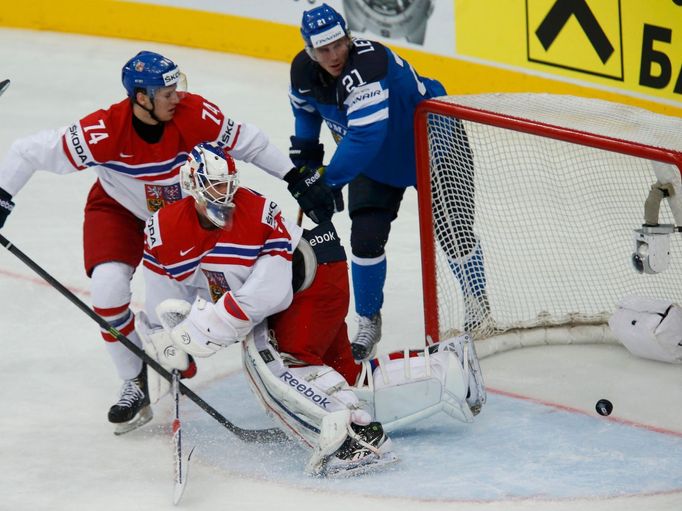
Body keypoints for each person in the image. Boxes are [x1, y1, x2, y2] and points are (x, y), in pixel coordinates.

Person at [0, 51, 333, 435]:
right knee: (107, 294)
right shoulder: (104, 131)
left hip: (183, 214)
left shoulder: (195, 114)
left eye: (177, 87)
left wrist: (295, 176)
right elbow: (27, 151)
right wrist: (3, 197)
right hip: (119, 211)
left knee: (207, 290)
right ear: (141, 97)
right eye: (166, 92)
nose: (177, 97)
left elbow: (250, 142)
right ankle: (134, 380)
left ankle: (183, 346)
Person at [139, 142, 486, 476]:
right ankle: (449, 370)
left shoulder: (256, 213)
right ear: (192, 185)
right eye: (214, 187)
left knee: (279, 362)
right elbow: (167, 282)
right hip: (309, 283)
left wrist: (210, 326)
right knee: (345, 377)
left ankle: (356, 439)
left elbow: (270, 294)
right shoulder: (163, 228)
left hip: (315, 282)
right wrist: (164, 332)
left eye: (227, 186)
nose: (224, 197)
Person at [287, 4, 490, 361]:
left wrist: (328, 181)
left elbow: (365, 137)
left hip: (435, 145)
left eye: (338, 44)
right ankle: (368, 319)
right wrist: (306, 165)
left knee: (454, 230)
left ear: (348, 38)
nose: (333, 55)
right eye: (323, 49)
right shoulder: (303, 73)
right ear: (309, 51)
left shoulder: (370, 64)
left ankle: (478, 303)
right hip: (375, 162)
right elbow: (306, 117)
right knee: (365, 239)